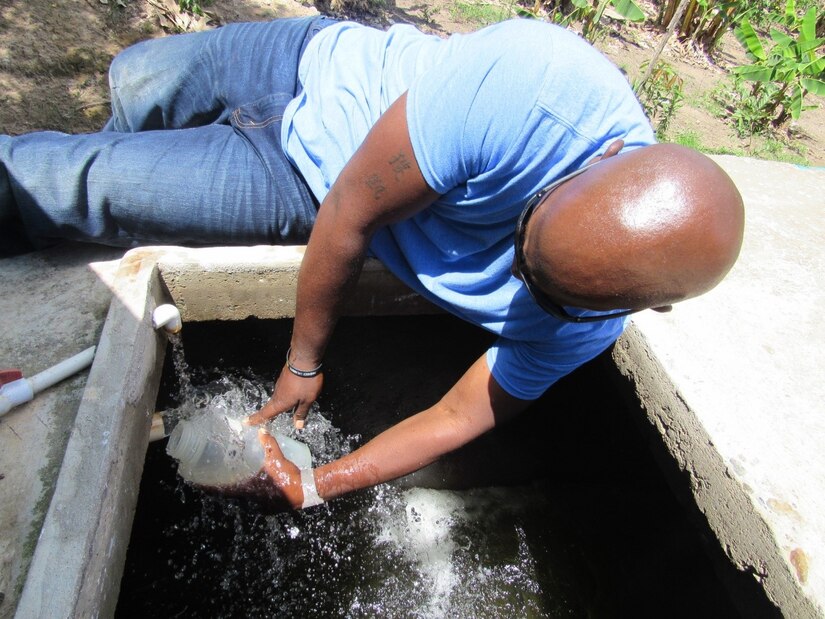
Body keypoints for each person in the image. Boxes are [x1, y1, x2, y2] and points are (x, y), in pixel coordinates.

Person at [0, 16, 745, 509]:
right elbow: (354, 210)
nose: (517, 277)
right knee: (136, 80)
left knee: (79, 186)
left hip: (295, 171)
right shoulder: (535, 83)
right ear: (601, 156)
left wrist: (317, 484)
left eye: (545, 293)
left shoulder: (587, 325)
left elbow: (458, 413)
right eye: (524, 237)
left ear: (650, 307)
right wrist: (302, 361)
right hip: (313, 66)